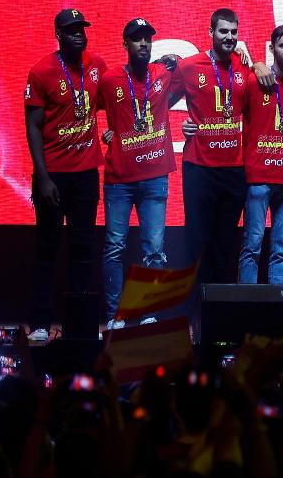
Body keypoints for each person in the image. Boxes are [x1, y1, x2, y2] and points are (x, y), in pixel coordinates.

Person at [23, 9, 106, 343]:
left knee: (83, 248)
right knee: (47, 249)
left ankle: (79, 323)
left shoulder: (97, 66)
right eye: (71, 30)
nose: (78, 34)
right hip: (54, 176)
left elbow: (115, 103)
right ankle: (41, 321)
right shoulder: (41, 71)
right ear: (58, 34)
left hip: (86, 174)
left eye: (81, 29)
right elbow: (33, 125)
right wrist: (42, 178)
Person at [97, 18, 177, 330]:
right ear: (125, 44)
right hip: (119, 179)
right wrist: (106, 134)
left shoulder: (164, 74)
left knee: (154, 248)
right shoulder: (110, 79)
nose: (143, 44)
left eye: (147, 39)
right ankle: (115, 314)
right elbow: (85, 110)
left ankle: (149, 312)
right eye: (136, 39)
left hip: (155, 176)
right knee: (115, 246)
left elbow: (202, 72)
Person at [171, 8, 249, 288]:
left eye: (233, 32)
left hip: (234, 169)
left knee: (225, 243)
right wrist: (179, 127)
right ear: (211, 33)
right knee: (197, 241)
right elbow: (159, 102)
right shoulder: (189, 67)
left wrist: (262, 65)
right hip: (199, 169)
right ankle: (193, 314)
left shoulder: (246, 67)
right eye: (223, 31)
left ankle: (220, 313)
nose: (229, 37)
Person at [238, 24, 283, 286]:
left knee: (282, 250)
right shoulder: (254, 81)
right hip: (260, 178)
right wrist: (257, 64)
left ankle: (277, 316)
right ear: (272, 49)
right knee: (252, 247)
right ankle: (246, 313)